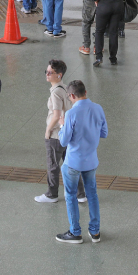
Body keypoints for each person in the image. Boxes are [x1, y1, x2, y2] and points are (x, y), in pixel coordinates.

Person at [55, 80, 107, 244]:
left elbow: (64, 141)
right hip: (91, 161)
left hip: (73, 162)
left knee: (70, 195)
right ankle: (95, 231)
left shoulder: (71, 114)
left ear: (71, 95)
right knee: (92, 194)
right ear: (85, 92)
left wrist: (62, 126)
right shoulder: (98, 108)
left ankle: (75, 232)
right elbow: (104, 133)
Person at [36, 60, 86, 204]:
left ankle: (52, 194)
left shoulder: (56, 92)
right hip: (67, 133)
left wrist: (48, 130)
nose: (47, 74)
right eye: (46, 71)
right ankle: (80, 194)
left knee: (53, 165)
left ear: (59, 75)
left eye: (50, 72)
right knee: (71, 165)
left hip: (56, 135)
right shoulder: (65, 88)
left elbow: (56, 115)